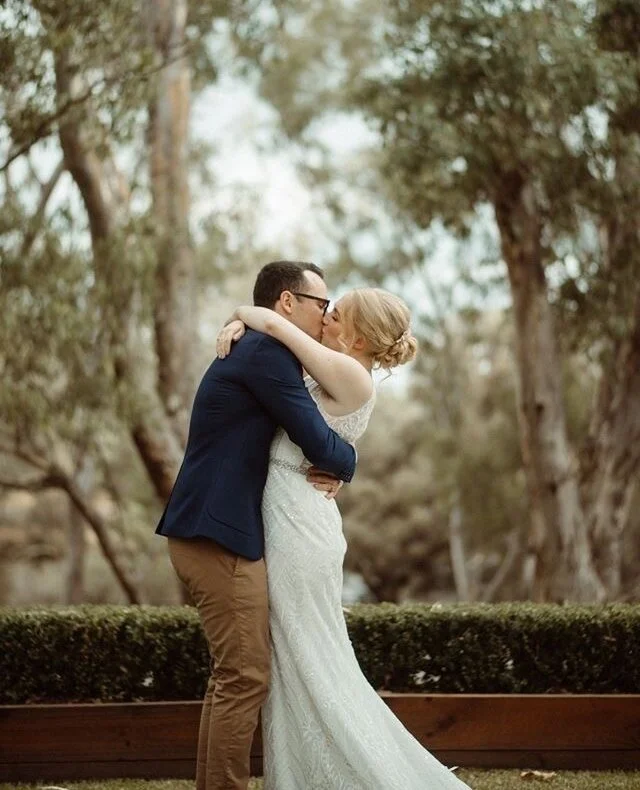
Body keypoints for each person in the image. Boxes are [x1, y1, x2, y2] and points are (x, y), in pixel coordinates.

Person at [217, 288, 472, 790]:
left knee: (308, 657)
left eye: (336, 313)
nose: (326, 316)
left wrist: (240, 316)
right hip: (292, 512)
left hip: (298, 526)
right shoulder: (335, 367)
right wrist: (237, 330)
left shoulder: (352, 373)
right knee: (298, 658)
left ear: (356, 336)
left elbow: (276, 326)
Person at [156, 261, 357, 790]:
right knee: (244, 679)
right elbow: (318, 441)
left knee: (231, 679)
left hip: (209, 531)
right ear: (288, 304)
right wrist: (348, 463)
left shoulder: (257, 346)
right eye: (321, 305)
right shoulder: (267, 355)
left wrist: (242, 316)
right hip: (218, 536)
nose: (327, 315)